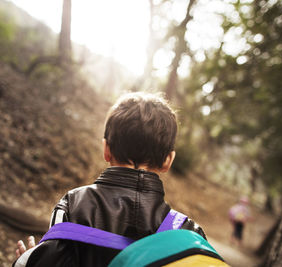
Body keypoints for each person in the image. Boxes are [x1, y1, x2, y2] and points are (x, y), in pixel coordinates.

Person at [13, 92, 206, 267]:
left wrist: (30, 260)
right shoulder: (187, 231)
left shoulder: (74, 204)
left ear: (106, 149)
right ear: (168, 161)